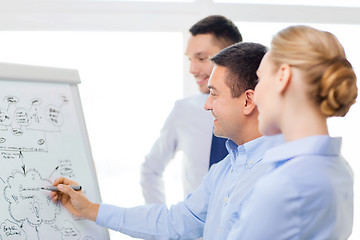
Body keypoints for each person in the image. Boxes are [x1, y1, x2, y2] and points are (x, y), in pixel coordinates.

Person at [50, 42, 284, 239]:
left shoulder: (284, 171)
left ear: (247, 101)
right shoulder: (224, 170)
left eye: (214, 94)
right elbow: (175, 222)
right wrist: (90, 209)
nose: (207, 105)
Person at [227, 25, 357, 239]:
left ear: (283, 76)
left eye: (259, 79)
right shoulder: (340, 169)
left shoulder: (284, 186)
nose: (255, 96)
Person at [140, 15, 242, 204]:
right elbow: (150, 170)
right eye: (189, 59)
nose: (192, 69)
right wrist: (164, 229)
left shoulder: (261, 114)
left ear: (232, 56)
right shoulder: (183, 111)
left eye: (202, 58)